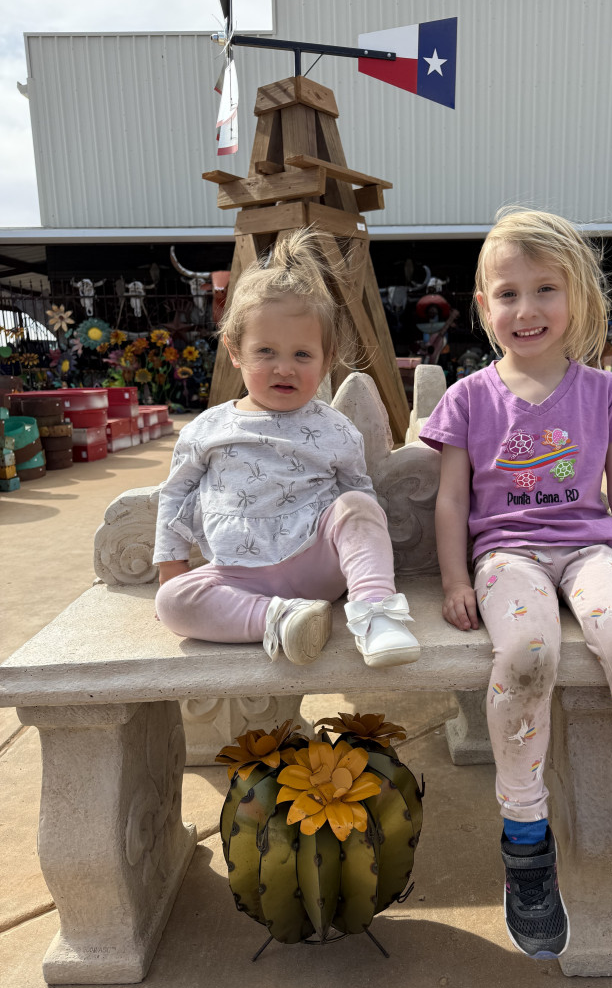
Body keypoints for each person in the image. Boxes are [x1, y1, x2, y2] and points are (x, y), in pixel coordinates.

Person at [419, 208, 612, 967]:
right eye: (508, 293)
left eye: (546, 289)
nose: (527, 309)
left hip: (591, 551)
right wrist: (454, 579)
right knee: (526, 655)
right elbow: (451, 499)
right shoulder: (469, 397)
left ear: (578, 297)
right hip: (506, 557)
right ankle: (526, 840)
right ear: (483, 306)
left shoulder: (604, 392)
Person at [154, 228, 420, 670]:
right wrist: (171, 564)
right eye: (265, 351)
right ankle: (283, 619)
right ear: (235, 350)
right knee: (172, 603)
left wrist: (355, 532)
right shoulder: (208, 428)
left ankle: (377, 615)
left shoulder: (335, 428)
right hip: (237, 576)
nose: (284, 368)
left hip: (319, 566)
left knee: (358, 505)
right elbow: (175, 495)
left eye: (302, 354)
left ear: (327, 358)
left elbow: (359, 506)